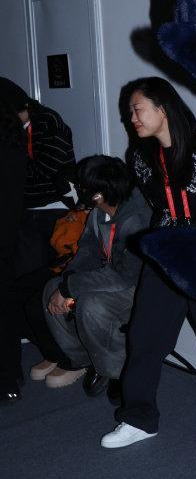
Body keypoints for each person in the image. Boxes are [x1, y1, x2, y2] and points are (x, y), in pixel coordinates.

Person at [100, 77, 196, 448]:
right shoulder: (139, 156)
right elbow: (156, 205)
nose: (131, 118)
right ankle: (139, 418)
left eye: (137, 110)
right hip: (164, 253)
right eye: (130, 112)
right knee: (145, 335)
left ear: (162, 108)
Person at [41, 155, 151, 394]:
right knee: (51, 289)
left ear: (97, 195)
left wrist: (70, 288)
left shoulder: (135, 219)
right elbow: (88, 249)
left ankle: (116, 371)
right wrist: (67, 281)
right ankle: (86, 359)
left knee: (92, 305)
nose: (78, 190)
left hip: (138, 286)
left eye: (83, 187)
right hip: (111, 276)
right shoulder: (100, 212)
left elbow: (124, 277)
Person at [0, 78, 77, 209]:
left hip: (52, 204)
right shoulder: (10, 127)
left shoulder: (48, 121)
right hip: (21, 203)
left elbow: (46, 171)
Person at [0, 94, 27, 402]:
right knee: (5, 304)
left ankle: (7, 377)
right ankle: (10, 375)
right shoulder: (13, 138)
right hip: (8, 231)